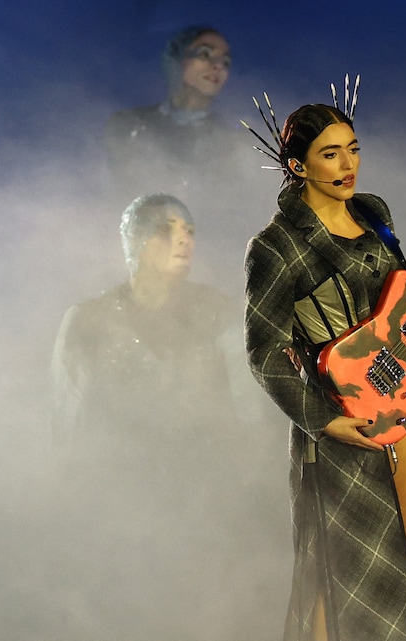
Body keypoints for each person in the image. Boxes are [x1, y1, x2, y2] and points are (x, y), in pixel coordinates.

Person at [243, 101, 406, 641]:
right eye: (330, 154)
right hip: (340, 424)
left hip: (405, 404)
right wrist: (322, 420)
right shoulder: (276, 246)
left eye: (353, 149)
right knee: (333, 575)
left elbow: (398, 309)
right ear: (299, 166)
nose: (347, 165)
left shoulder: (374, 213)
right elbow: (264, 352)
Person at [50, 192, 271, 640]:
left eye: (189, 231)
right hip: (123, 504)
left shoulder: (216, 311)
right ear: (135, 240)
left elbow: (249, 409)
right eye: (167, 230)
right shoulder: (87, 320)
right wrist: (74, 507)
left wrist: (250, 490)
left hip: (208, 500)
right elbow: (67, 421)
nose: (183, 240)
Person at [104, 25, 236, 196]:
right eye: (205, 54)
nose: (218, 66)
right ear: (176, 59)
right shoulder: (128, 124)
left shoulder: (234, 144)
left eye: (226, 62)